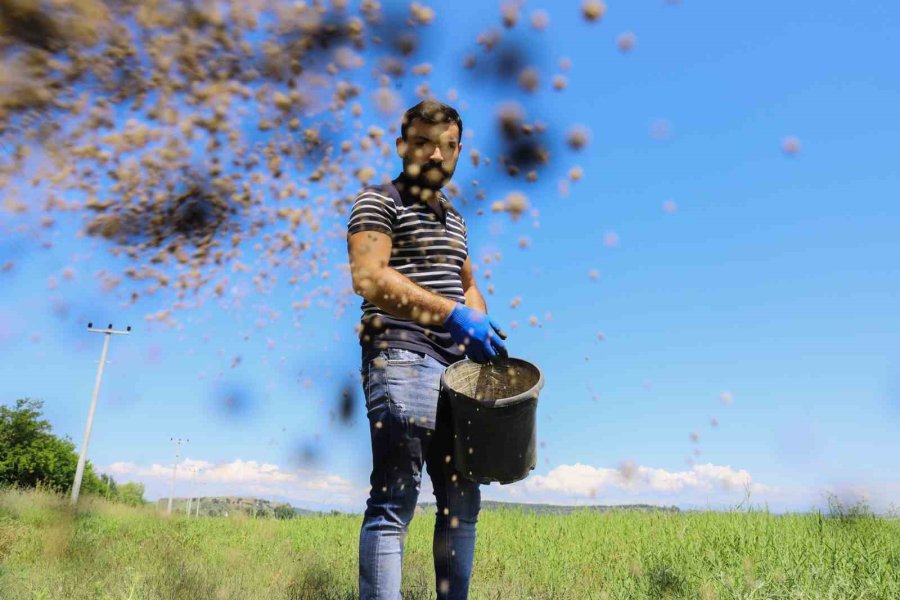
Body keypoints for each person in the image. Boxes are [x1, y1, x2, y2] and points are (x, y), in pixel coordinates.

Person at [346, 99, 509, 600]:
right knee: (395, 500)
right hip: (400, 355)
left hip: (456, 373)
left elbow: (468, 284)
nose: (436, 155)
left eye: (447, 146)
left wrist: (477, 322)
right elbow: (369, 278)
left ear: (458, 151)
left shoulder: (456, 220)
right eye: (422, 143)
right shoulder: (379, 200)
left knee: (462, 504)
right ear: (402, 146)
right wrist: (450, 315)